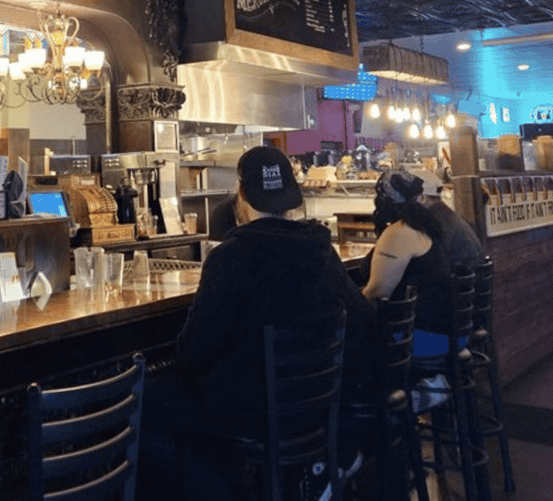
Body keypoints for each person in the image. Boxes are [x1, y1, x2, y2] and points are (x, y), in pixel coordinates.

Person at [149, 146, 374, 500]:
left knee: (145, 401)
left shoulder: (231, 257)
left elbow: (192, 353)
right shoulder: (322, 251)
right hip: (318, 410)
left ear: (241, 196)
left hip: (250, 416)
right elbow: (362, 321)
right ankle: (304, 471)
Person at [361, 169, 455, 358]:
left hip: (425, 338)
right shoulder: (424, 225)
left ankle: (390, 387)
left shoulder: (399, 232)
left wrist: (350, 307)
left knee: (349, 340)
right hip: (449, 333)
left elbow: (379, 291)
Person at [422, 181, 485, 271]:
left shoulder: (433, 219)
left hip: (459, 276)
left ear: (422, 198)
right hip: (471, 275)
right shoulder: (445, 214)